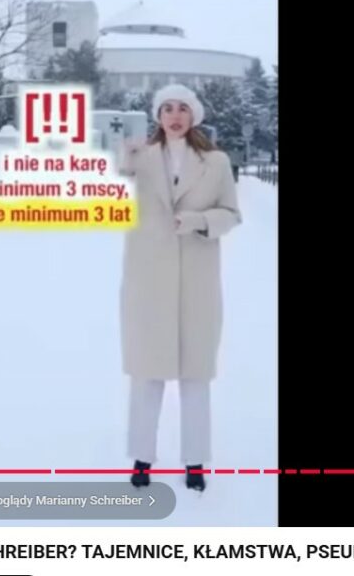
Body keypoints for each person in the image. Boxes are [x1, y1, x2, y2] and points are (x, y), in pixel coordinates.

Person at [118, 84, 242, 491]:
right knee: (146, 376)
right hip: (148, 282)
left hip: (197, 284)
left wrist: (199, 221)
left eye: (182, 108)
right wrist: (125, 161)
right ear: (157, 115)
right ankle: (141, 457)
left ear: (194, 116)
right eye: (167, 108)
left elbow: (231, 213)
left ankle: (195, 462)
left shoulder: (216, 162)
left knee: (195, 378)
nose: (174, 115)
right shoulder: (140, 159)